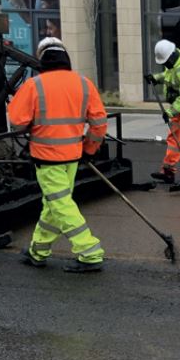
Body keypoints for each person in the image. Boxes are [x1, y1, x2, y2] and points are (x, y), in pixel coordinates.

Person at [8, 37, 109, 273]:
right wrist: (89, 149)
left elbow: (17, 122)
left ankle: (89, 252)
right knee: (53, 204)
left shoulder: (34, 85)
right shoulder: (84, 84)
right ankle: (38, 250)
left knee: (61, 205)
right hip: (72, 157)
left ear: (42, 60)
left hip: (47, 159)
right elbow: (99, 123)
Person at [144, 40, 180, 185]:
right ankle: (168, 171)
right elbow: (168, 76)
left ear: (171, 57)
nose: (165, 65)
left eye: (165, 62)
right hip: (177, 106)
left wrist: (170, 112)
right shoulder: (174, 64)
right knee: (173, 139)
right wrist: (155, 78)